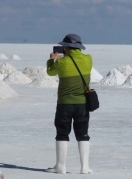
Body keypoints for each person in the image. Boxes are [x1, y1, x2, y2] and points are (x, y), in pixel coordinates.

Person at [46, 33, 93, 174]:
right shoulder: (88, 59)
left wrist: (51, 60)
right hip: (82, 104)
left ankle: (60, 166)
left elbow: (50, 72)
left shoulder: (61, 62)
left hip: (64, 104)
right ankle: (84, 167)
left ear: (67, 47)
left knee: (62, 133)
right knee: (83, 133)